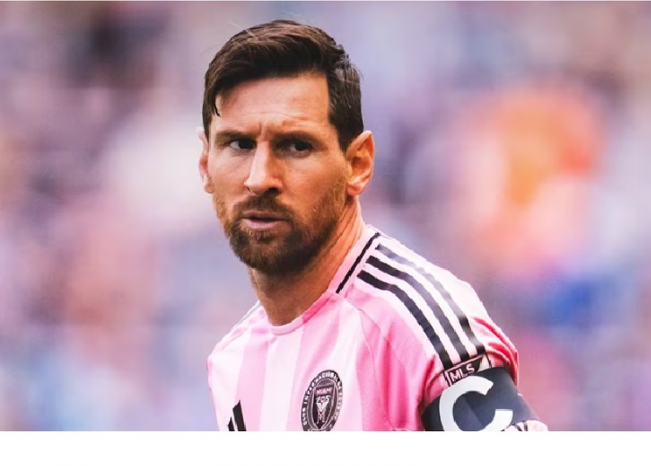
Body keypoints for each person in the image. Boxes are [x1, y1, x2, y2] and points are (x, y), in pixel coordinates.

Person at [198, 19, 547, 431]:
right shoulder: (233, 361)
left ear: (358, 164)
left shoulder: (416, 325)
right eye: (239, 144)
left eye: (295, 146)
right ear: (205, 163)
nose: (259, 178)